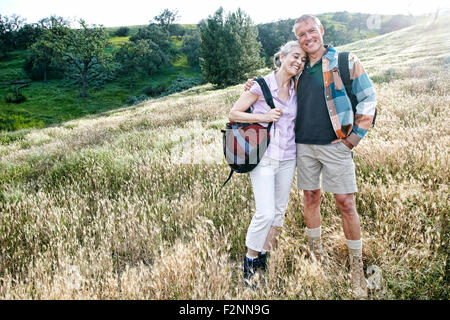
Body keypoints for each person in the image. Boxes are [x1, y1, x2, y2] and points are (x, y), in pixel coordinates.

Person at [245, 15, 377, 299]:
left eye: (311, 31)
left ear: (321, 31)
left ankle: (356, 264)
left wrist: (353, 139)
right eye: (301, 34)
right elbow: (273, 84)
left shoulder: (345, 60)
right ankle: (315, 253)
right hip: (302, 146)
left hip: (337, 145)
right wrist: (252, 84)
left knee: (346, 202)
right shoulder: (299, 66)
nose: (307, 37)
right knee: (310, 198)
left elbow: (368, 98)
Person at [228, 40, 306, 288]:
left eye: (303, 59)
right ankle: (250, 261)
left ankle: (263, 256)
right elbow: (234, 114)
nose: (298, 62)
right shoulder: (261, 85)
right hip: (264, 156)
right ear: (281, 56)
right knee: (265, 212)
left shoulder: (297, 86)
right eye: (295, 56)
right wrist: (263, 116)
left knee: (279, 212)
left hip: (288, 156)